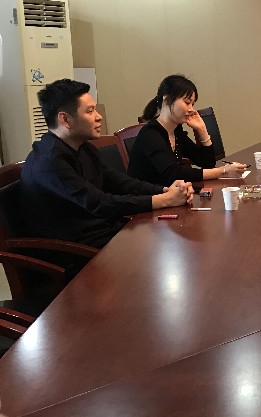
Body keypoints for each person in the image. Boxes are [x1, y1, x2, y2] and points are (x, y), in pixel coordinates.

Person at [19, 80, 192, 308]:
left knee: (173, 246)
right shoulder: (50, 162)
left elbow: (120, 182)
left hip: (102, 236)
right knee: (162, 262)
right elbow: (99, 203)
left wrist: (164, 190)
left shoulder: (83, 147)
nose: (99, 116)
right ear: (65, 119)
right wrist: (161, 200)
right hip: (75, 256)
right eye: (90, 111)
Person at [127, 74, 247, 185]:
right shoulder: (151, 133)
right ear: (167, 99)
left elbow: (207, 163)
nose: (191, 109)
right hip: (148, 198)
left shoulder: (176, 131)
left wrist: (202, 130)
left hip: (170, 195)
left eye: (192, 104)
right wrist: (223, 171)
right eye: (187, 102)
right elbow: (173, 174)